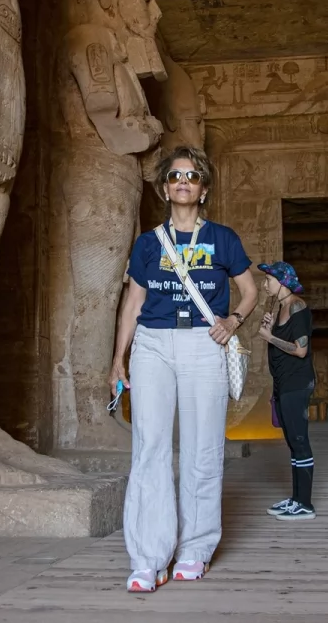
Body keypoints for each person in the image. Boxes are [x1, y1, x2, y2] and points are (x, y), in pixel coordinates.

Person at [110, 145, 259, 593]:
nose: (183, 182)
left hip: (202, 341)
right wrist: (118, 357)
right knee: (149, 447)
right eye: (175, 176)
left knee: (201, 448)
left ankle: (194, 549)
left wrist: (232, 322)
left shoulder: (223, 239)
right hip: (152, 343)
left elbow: (249, 291)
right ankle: (147, 556)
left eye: (192, 176)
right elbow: (133, 302)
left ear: (204, 188)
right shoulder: (148, 243)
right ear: (164, 188)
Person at [258, 261, 317, 521]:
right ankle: (296, 499)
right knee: (293, 442)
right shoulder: (280, 306)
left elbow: (300, 349)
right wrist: (270, 330)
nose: (264, 284)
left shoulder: (297, 306)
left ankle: (305, 504)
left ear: (282, 281)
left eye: (268, 279)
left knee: (299, 442)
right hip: (283, 383)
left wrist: (269, 337)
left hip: (297, 383)